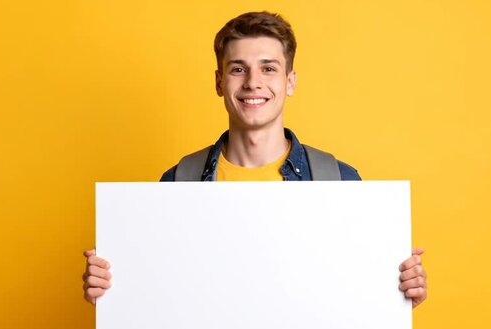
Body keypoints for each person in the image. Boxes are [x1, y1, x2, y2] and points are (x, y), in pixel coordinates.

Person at [82, 11, 427, 308]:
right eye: (237, 69)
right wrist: (113, 288)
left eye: (268, 68)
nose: (252, 83)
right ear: (219, 82)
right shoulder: (177, 182)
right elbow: (157, 299)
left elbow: (358, 301)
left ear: (289, 81)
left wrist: (397, 293)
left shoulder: (339, 181)